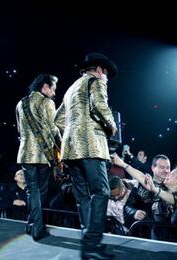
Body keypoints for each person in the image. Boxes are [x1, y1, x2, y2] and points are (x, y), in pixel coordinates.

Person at [55, 52, 117, 259]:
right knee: (101, 192)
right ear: (100, 70)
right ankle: (92, 243)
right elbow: (99, 106)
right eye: (106, 73)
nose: (106, 77)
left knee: (83, 197)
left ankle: (87, 239)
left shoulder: (71, 88)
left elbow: (58, 119)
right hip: (91, 146)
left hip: (70, 149)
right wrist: (111, 126)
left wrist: (73, 130)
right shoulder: (96, 81)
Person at [16, 73, 61, 240]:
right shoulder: (47, 102)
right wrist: (61, 146)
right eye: (53, 89)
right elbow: (53, 129)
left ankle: (31, 224)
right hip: (43, 154)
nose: (54, 93)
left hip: (25, 153)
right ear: (45, 87)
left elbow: (20, 130)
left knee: (31, 191)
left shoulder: (21, 103)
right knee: (40, 191)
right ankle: (37, 229)